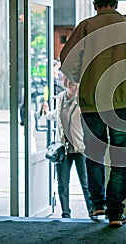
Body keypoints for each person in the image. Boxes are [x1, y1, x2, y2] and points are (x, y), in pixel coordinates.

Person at [60, 0, 126, 226]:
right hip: (123, 101)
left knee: (93, 154)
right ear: (116, 3)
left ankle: (97, 204)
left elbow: (67, 61)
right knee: (121, 158)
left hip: (92, 103)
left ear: (95, 5)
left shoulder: (85, 27)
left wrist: (82, 73)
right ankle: (116, 212)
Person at [40, 75, 92, 218]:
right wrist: (46, 113)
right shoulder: (61, 98)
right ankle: (65, 213)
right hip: (63, 149)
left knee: (86, 183)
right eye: (72, 85)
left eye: (77, 85)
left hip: (80, 148)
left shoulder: (83, 100)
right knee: (62, 183)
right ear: (66, 84)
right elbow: (57, 116)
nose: (75, 88)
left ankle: (92, 211)